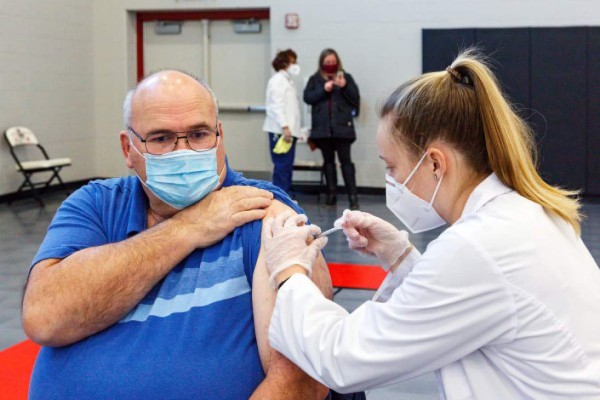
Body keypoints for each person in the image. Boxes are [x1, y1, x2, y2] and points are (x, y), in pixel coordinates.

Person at [263, 50, 600, 399]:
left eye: (391, 167)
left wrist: (289, 273)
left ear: (435, 164)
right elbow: (461, 305)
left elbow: (343, 358)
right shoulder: (521, 214)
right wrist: (400, 257)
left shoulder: (477, 247)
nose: (391, 181)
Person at [21, 70, 334, 399]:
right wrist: (188, 227)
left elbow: (303, 380)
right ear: (128, 149)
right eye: (161, 138)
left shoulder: (263, 211)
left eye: (199, 134)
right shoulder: (98, 205)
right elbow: (44, 317)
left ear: (220, 135)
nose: (183, 151)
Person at [304, 48, 360, 209]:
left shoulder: (346, 77)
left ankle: (353, 198)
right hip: (322, 130)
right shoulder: (315, 79)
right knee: (328, 163)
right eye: (327, 62)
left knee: (346, 163)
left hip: (343, 130)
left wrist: (344, 86)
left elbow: (355, 100)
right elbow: (307, 98)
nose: (330, 64)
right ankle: (331, 195)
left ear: (338, 62)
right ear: (322, 63)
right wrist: (323, 89)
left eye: (333, 62)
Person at [263, 49, 302, 197]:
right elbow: (275, 106)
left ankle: (285, 195)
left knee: (286, 165)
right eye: (293, 61)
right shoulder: (278, 80)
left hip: (288, 131)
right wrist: (284, 126)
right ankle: (280, 197)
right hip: (280, 131)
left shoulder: (287, 81)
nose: (295, 65)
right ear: (284, 63)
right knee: (282, 165)